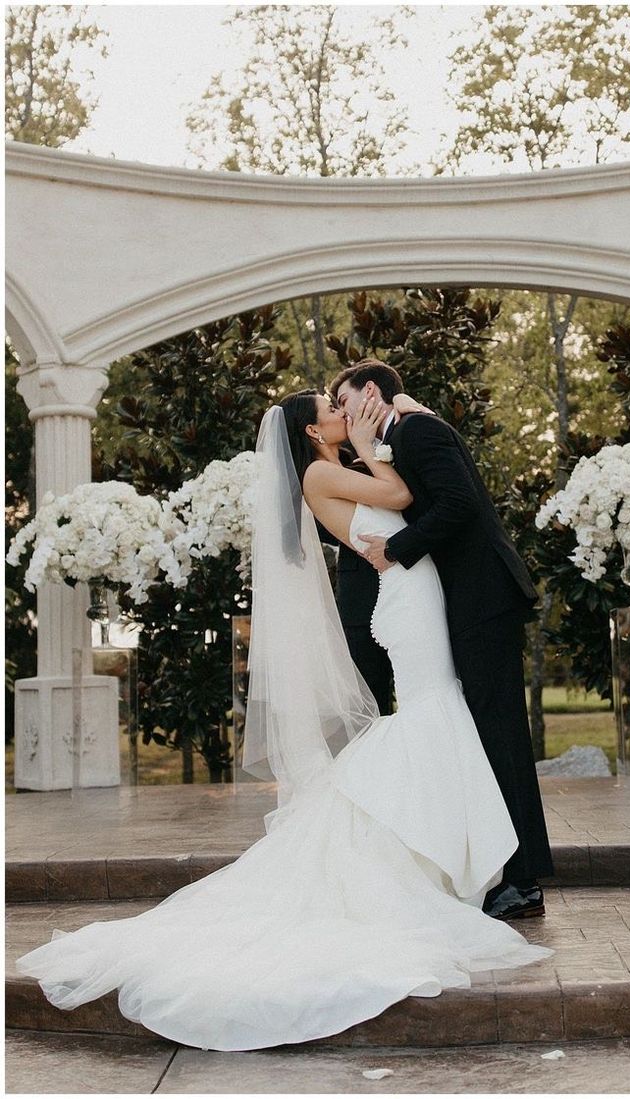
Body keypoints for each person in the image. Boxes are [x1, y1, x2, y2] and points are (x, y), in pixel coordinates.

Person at [15, 391, 552, 1053]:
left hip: (413, 592)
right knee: (431, 710)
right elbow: (401, 493)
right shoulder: (320, 472)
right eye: (331, 406)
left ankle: (449, 856)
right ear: (311, 428)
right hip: (408, 599)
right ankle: (442, 858)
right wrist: (367, 438)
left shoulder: (327, 469)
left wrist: (373, 435)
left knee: (433, 712)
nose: (340, 407)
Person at [331, 360, 555, 921]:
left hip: (483, 599)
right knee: (482, 733)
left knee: (500, 733)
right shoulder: (398, 435)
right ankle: (500, 864)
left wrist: (398, 549)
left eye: (343, 398)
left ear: (373, 394)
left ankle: (524, 878)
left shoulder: (419, 431)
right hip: (462, 603)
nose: (338, 409)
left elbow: (460, 504)